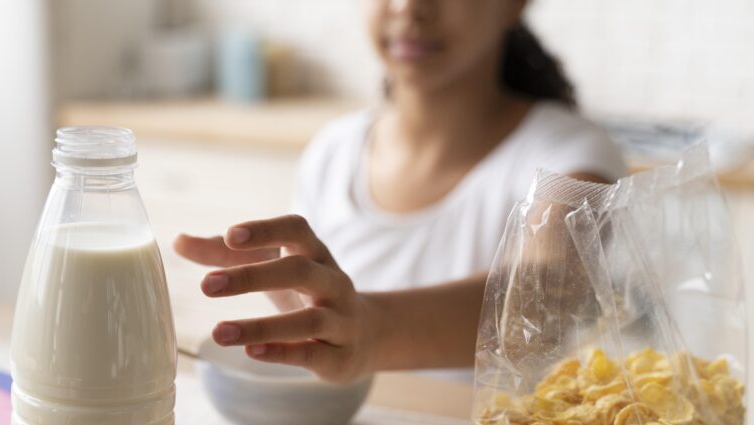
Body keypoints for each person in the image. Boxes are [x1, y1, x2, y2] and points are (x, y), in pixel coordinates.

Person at [173, 0, 626, 383]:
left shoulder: (572, 153)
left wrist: (369, 331)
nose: (409, 7)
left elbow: (550, 296)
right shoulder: (333, 151)